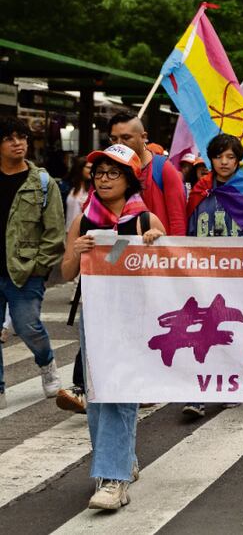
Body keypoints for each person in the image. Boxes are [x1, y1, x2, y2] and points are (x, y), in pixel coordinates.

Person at [60, 143, 166, 510]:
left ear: (130, 180)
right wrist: (77, 251)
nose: (104, 180)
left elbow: (171, 271)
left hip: (134, 318)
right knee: (97, 395)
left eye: (113, 173)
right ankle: (122, 460)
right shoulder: (84, 221)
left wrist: (156, 244)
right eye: (99, 173)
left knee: (120, 391)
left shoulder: (145, 220)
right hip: (95, 318)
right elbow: (66, 272)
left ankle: (112, 479)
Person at [182, 133, 243, 418]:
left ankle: (229, 385)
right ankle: (197, 393)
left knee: (230, 329)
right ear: (210, 159)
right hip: (203, 271)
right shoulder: (201, 189)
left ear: (238, 160)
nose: (224, 162)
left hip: (238, 273)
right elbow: (188, 227)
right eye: (218, 156)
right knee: (200, 327)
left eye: (230, 157)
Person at [0, 118, 64, 410]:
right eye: (9, 138)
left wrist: (38, 266)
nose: (18, 143)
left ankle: (46, 362)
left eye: (22, 137)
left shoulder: (42, 183)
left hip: (25, 271)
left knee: (28, 326)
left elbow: (54, 232)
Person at [108, 112, 187, 236]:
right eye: (114, 139)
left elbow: (178, 221)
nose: (119, 144)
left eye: (126, 138)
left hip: (154, 246)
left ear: (143, 137)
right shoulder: (105, 170)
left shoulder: (163, 168)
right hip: (115, 245)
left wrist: (173, 248)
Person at [63, 156, 92, 230]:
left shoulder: (94, 189)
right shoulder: (68, 186)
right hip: (67, 230)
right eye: (89, 168)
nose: (92, 170)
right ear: (80, 168)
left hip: (83, 231)